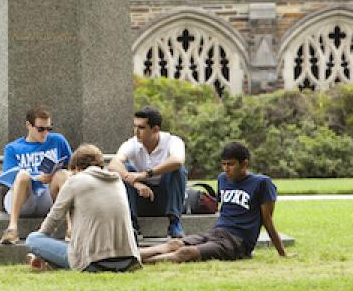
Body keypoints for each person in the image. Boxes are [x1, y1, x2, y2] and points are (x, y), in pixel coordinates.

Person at [140, 142, 288, 263]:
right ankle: (132, 255)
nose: (226, 169)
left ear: (244, 164)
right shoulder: (222, 179)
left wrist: (282, 253)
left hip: (237, 241)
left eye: (230, 164)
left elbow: (268, 220)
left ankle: (139, 264)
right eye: (223, 164)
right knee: (175, 244)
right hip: (217, 232)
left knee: (186, 252)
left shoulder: (262, 183)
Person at [24, 144, 141, 272]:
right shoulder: (117, 181)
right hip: (128, 260)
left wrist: (42, 245)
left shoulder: (75, 181)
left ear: (76, 168)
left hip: (93, 261)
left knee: (33, 239)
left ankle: (45, 260)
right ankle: (48, 263)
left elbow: (53, 220)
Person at [108, 106, 187, 238]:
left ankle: (174, 223)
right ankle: (131, 225)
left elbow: (178, 160)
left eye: (141, 128)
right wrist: (135, 182)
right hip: (139, 197)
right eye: (135, 126)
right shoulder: (132, 144)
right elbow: (113, 164)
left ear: (155, 129)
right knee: (125, 168)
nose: (136, 132)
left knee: (177, 169)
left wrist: (146, 174)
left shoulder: (173, 141)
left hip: (165, 199)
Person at [0, 105, 72, 245]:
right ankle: (12, 229)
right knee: (22, 175)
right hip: (23, 199)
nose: (45, 133)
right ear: (29, 125)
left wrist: (55, 175)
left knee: (63, 174)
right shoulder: (13, 148)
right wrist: (36, 177)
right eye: (40, 129)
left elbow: (74, 168)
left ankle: (71, 229)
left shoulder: (58, 141)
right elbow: (10, 178)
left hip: (48, 196)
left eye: (48, 129)